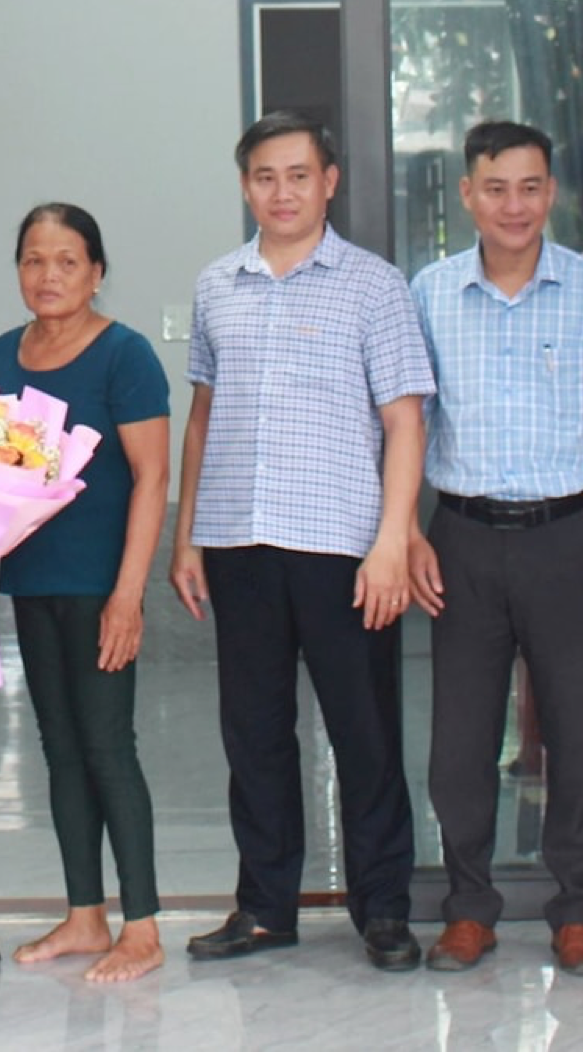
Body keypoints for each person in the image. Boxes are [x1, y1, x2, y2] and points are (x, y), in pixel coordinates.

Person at [173, 112, 434, 975]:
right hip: (237, 542)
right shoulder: (218, 284)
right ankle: (264, 907)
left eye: (297, 175)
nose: (281, 192)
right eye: (264, 177)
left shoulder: (374, 286)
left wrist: (393, 540)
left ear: (330, 182)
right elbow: (203, 418)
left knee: (364, 736)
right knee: (254, 735)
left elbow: (405, 422)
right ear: (245, 185)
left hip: (343, 548)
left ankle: (383, 909)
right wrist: (187, 538)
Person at [409, 120, 583, 976]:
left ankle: (577, 908)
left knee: (577, 730)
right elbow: (407, 423)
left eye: (529, 188)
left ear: (550, 192)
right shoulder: (431, 293)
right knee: (461, 737)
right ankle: (468, 907)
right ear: (468, 195)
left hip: (568, 538)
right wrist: (406, 530)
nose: (514, 206)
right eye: (496, 188)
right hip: (462, 537)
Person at [0, 204, 172, 984]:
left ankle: (144, 926)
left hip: (102, 585)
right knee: (59, 749)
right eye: (34, 260)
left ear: (96, 272)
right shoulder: (1, 356)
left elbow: (152, 478)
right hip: (34, 580)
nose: (49, 275)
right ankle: (85, 914)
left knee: (107, 747)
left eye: (67, 261)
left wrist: (128, 595)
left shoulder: (125, 355)